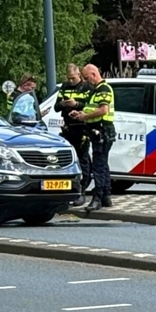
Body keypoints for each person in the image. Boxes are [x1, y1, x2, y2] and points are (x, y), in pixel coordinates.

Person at [69, 65, 115, 213]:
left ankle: (98, 198)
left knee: (98, 165)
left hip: (102, 131)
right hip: (98, 131)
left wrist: (84, 117)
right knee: (103, 163)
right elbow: (91, 107)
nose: (87, 81)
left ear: (94, 74)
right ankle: (106, 196)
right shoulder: (96, 90)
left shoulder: (103, 89)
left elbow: (103, 110)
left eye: (87, 78)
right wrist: (79, 112)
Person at [55, 64, 92, 207]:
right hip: (68, 127)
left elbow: (90, 105)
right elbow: (56, 107)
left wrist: (76, 104)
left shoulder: (86, 88)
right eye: (69, 78)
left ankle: (82, 190)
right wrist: (64, 103)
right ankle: (68, 189)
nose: (70, 81)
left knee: (83, 159)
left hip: (82, 128)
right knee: (67, 160)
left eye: (73, 78)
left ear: (79, 76)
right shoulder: (64, 87)